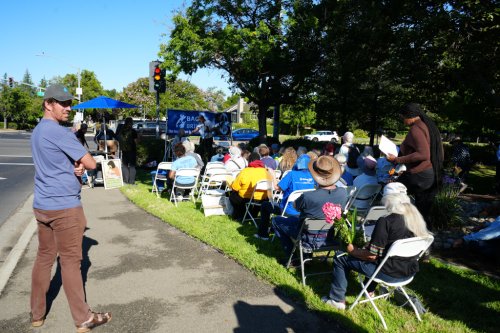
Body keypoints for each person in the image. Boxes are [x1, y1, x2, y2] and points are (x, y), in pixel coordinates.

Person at [30, 84, 111, 331]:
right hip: (64, 206)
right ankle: (83, 318)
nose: (68, 108)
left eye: (69, 103)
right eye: (62, 103)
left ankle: (37, 315)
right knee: (71, 263)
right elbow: (90, 163)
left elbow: (53, 163)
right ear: (48, 104)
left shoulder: (37, 131)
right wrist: (82, 164)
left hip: (43, 204)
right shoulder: (59, 132)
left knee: (44, 258)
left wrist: (72, 167)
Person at [322, 182, 432, 310]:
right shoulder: (415, 219)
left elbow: (371, 256)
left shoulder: (386, 221)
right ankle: (369, 290)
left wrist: (352, 250)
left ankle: (336, 300)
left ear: (388, 201)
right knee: (382, 256)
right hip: (408, 272)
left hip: (388, 273)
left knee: (340, 257)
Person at [273, 156, 348, 261]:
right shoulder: (343, 193)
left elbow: (296, 207)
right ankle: (305, 258)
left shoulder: (308, 196)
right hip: (330, 236)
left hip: (308, 238)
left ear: (315, 174)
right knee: (298, 220)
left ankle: (293, 259)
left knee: (276, 220)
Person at [386, 102, 444, 229]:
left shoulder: (416, 129)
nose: (402, 121)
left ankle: (394, 227)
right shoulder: (424, 125)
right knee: (422, 209)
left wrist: (398, 159)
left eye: (402, 118)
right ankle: (422, 235)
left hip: (420, 175)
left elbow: (423, 154)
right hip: (427, 173)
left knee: (392, 190)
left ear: (409, 116)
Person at [254, 154, 316, 240]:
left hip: (288, 210)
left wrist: (272, 175)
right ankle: (272, 229)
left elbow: (277, 188)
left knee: (265, 205)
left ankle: (263, 234)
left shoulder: (292, 174)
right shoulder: (312, 176)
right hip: (303, 211)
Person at [229, 152, 273, 221]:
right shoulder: (266, 171)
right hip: (263, 198)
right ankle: (253, 213)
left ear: (251, 161)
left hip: (246, 198)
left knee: (232, 196)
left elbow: (235, 187)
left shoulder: (245, 171)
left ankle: (240, 214)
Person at [118, 117, 138, 184]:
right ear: (131, 123)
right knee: (132, 166)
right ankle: (131, 181)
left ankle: (125, 180)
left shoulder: (122, 131)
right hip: (132, 150)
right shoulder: (133, 131)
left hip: (124, 150)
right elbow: (136, 141)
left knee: (125, 165)